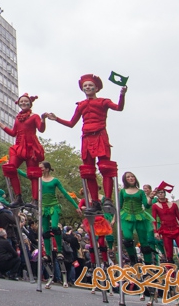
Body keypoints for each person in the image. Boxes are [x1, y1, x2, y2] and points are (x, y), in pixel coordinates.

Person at [45, 74, 126, 215]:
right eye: (85, 86)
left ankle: (107, 199)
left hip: (100, 136)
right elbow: (71, 123)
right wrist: (56, 118)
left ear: (96, 88)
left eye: (90, 85)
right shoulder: (81, 105)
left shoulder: (103, 101)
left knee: (105, 167)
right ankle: (95, 202)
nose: (87, 87)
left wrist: (122, 94)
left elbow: (119, 108)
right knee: (88, 171)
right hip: (86, 138)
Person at [0, 93, 46, 207]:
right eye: (21, 101)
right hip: (19, 147)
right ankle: (18, 197)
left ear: (30, 103)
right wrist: (1, 125)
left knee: (33, 174)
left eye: (25, 101)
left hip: (31, 147)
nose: (23, 103)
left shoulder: (34, 116)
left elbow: (41, 129)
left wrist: (43, 119)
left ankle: (35, 200)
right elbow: (13, 133)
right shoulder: (17, 118)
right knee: (10, 168)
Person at [118, 171, 155, 264]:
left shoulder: (141, 192)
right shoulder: (122, 191)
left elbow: (146, 205)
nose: (131, 178)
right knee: (127, 238)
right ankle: (133, 261)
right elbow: (119, 205)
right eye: (128, 177)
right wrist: (115, 218)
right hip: (126, 216)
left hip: (140, 216)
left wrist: (150, 198)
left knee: (144, 242)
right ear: (125, 180)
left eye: (132, 176)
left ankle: (148, 266)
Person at [151, 188, 179, 265]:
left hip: (176, 229)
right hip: (165, 231)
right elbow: (154, 220)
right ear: (157, 195)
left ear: (165, 193)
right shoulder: (155, 206)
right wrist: (155, 232)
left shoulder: (174, 205)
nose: (161, 194)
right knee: (169, 253)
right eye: (159, 193)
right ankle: (171, 273)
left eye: (162, 192)